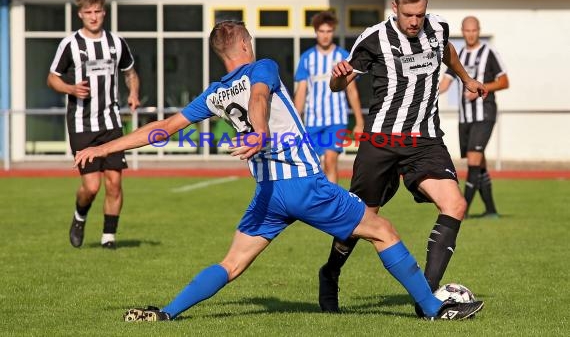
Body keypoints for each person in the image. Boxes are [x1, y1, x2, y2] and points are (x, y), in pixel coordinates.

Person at [74, 20, 483, 322]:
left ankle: (166, 313)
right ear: (246, 44)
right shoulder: (263, 67)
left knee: (232, 263)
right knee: (383, 231)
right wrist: (260, 132)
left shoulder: (214, 93)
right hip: (304, 185)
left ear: (220, 54)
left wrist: (103, 147)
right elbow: (259, 99)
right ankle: (433, 309)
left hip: (267, 196)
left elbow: (160, 129)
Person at [316, 0, 488, 315]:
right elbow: (339, 85)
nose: (414, 22)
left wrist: (466, 79)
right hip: (380, 140)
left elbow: (448, 53)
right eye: (408, 14)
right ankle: (330, 273)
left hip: (425, 139)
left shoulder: (437, 29)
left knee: (454, 204)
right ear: (395, 7)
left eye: (419, 14)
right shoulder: (373, 39)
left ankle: (425, 300)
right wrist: (337, 75)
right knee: (362, 218)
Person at [47, 0, 140, 249]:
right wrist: (71, 89)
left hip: (110, 122)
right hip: (81, 123)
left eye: (97, 11)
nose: (93, 16)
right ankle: (79, 217)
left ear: (104, 12)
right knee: (91, 186)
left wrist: (133, 93)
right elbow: (52, 78)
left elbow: (130, 72)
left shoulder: (116, 43)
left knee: (114, 182)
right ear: (80, 14)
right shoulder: (70, 45)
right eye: (88, 12)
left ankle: (108, 237)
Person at [439, 16, 509, 218]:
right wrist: (427, 93)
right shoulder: (459, 53)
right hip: (465, 117)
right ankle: (491, 210)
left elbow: (504, 81)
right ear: (462, 31)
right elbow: (446, 82)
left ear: (479, 31)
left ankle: (463, 209)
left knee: (473, 160)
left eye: (474, 30)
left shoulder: (489, 52)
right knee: (479, 163)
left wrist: (483, 87)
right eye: (467, 31)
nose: (470, 34)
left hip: (484, 114)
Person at [293, 11, 364, 183]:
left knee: (331, 161)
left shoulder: (343, 57)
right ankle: (318, 204)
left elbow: (352, 90)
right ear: (316, 32)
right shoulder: (306, 58)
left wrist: (360, 122)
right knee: (315, 167)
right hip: (312, 121)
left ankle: (331, 206)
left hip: (336, 120)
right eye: (321, 31)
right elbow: (301, 92)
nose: (325, 35)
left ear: (333, 32)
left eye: (329, 31)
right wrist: (294, 122)